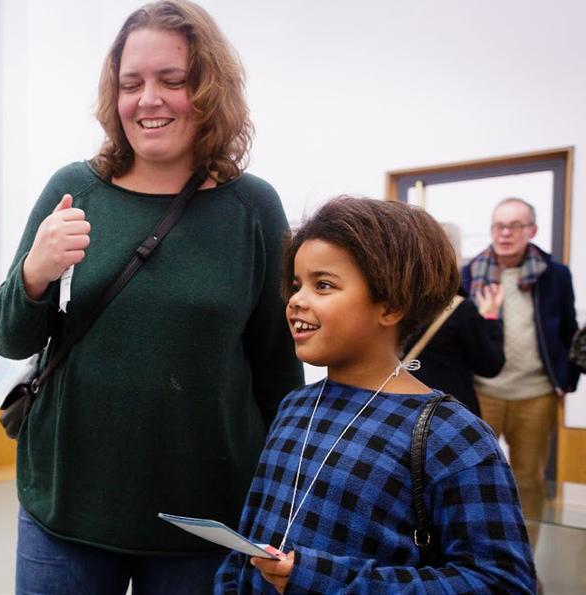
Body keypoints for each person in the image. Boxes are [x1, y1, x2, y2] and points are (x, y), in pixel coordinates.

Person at [0, 1, 302, 593]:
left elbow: (276, 370)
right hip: (67, 511)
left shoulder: (252, 208)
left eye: (171, 80)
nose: (147, 99)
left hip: (204, 524)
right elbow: (7, 336)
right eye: (131, 84)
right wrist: (36, 270)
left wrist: (280, 502)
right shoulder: (73, 190)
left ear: (208, 90)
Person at [217, 197, 535, 594]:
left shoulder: (455, 437)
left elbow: (501, 582)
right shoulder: (294, 407)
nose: (297, 300)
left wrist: (322, 579)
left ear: (392, 305)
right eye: (297, 285)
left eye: (324, 285)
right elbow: (254, 534)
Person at [466, 197, 579, 524]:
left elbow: (568, 330)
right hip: (481, 390)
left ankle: (525, 561)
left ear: (532, 230)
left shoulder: (554, 275)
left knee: (529, 479)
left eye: (515, 225)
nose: (505, 233)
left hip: (535, 392)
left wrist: (566, 380)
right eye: (498, 225)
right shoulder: (470, 272)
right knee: (474, 476)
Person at [404, 222, 505, 417]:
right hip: (448, 414)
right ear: (454, 256)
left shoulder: (395, 302)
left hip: (403, 407)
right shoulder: (460, 309)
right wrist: (490, 318)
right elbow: (490, 365)